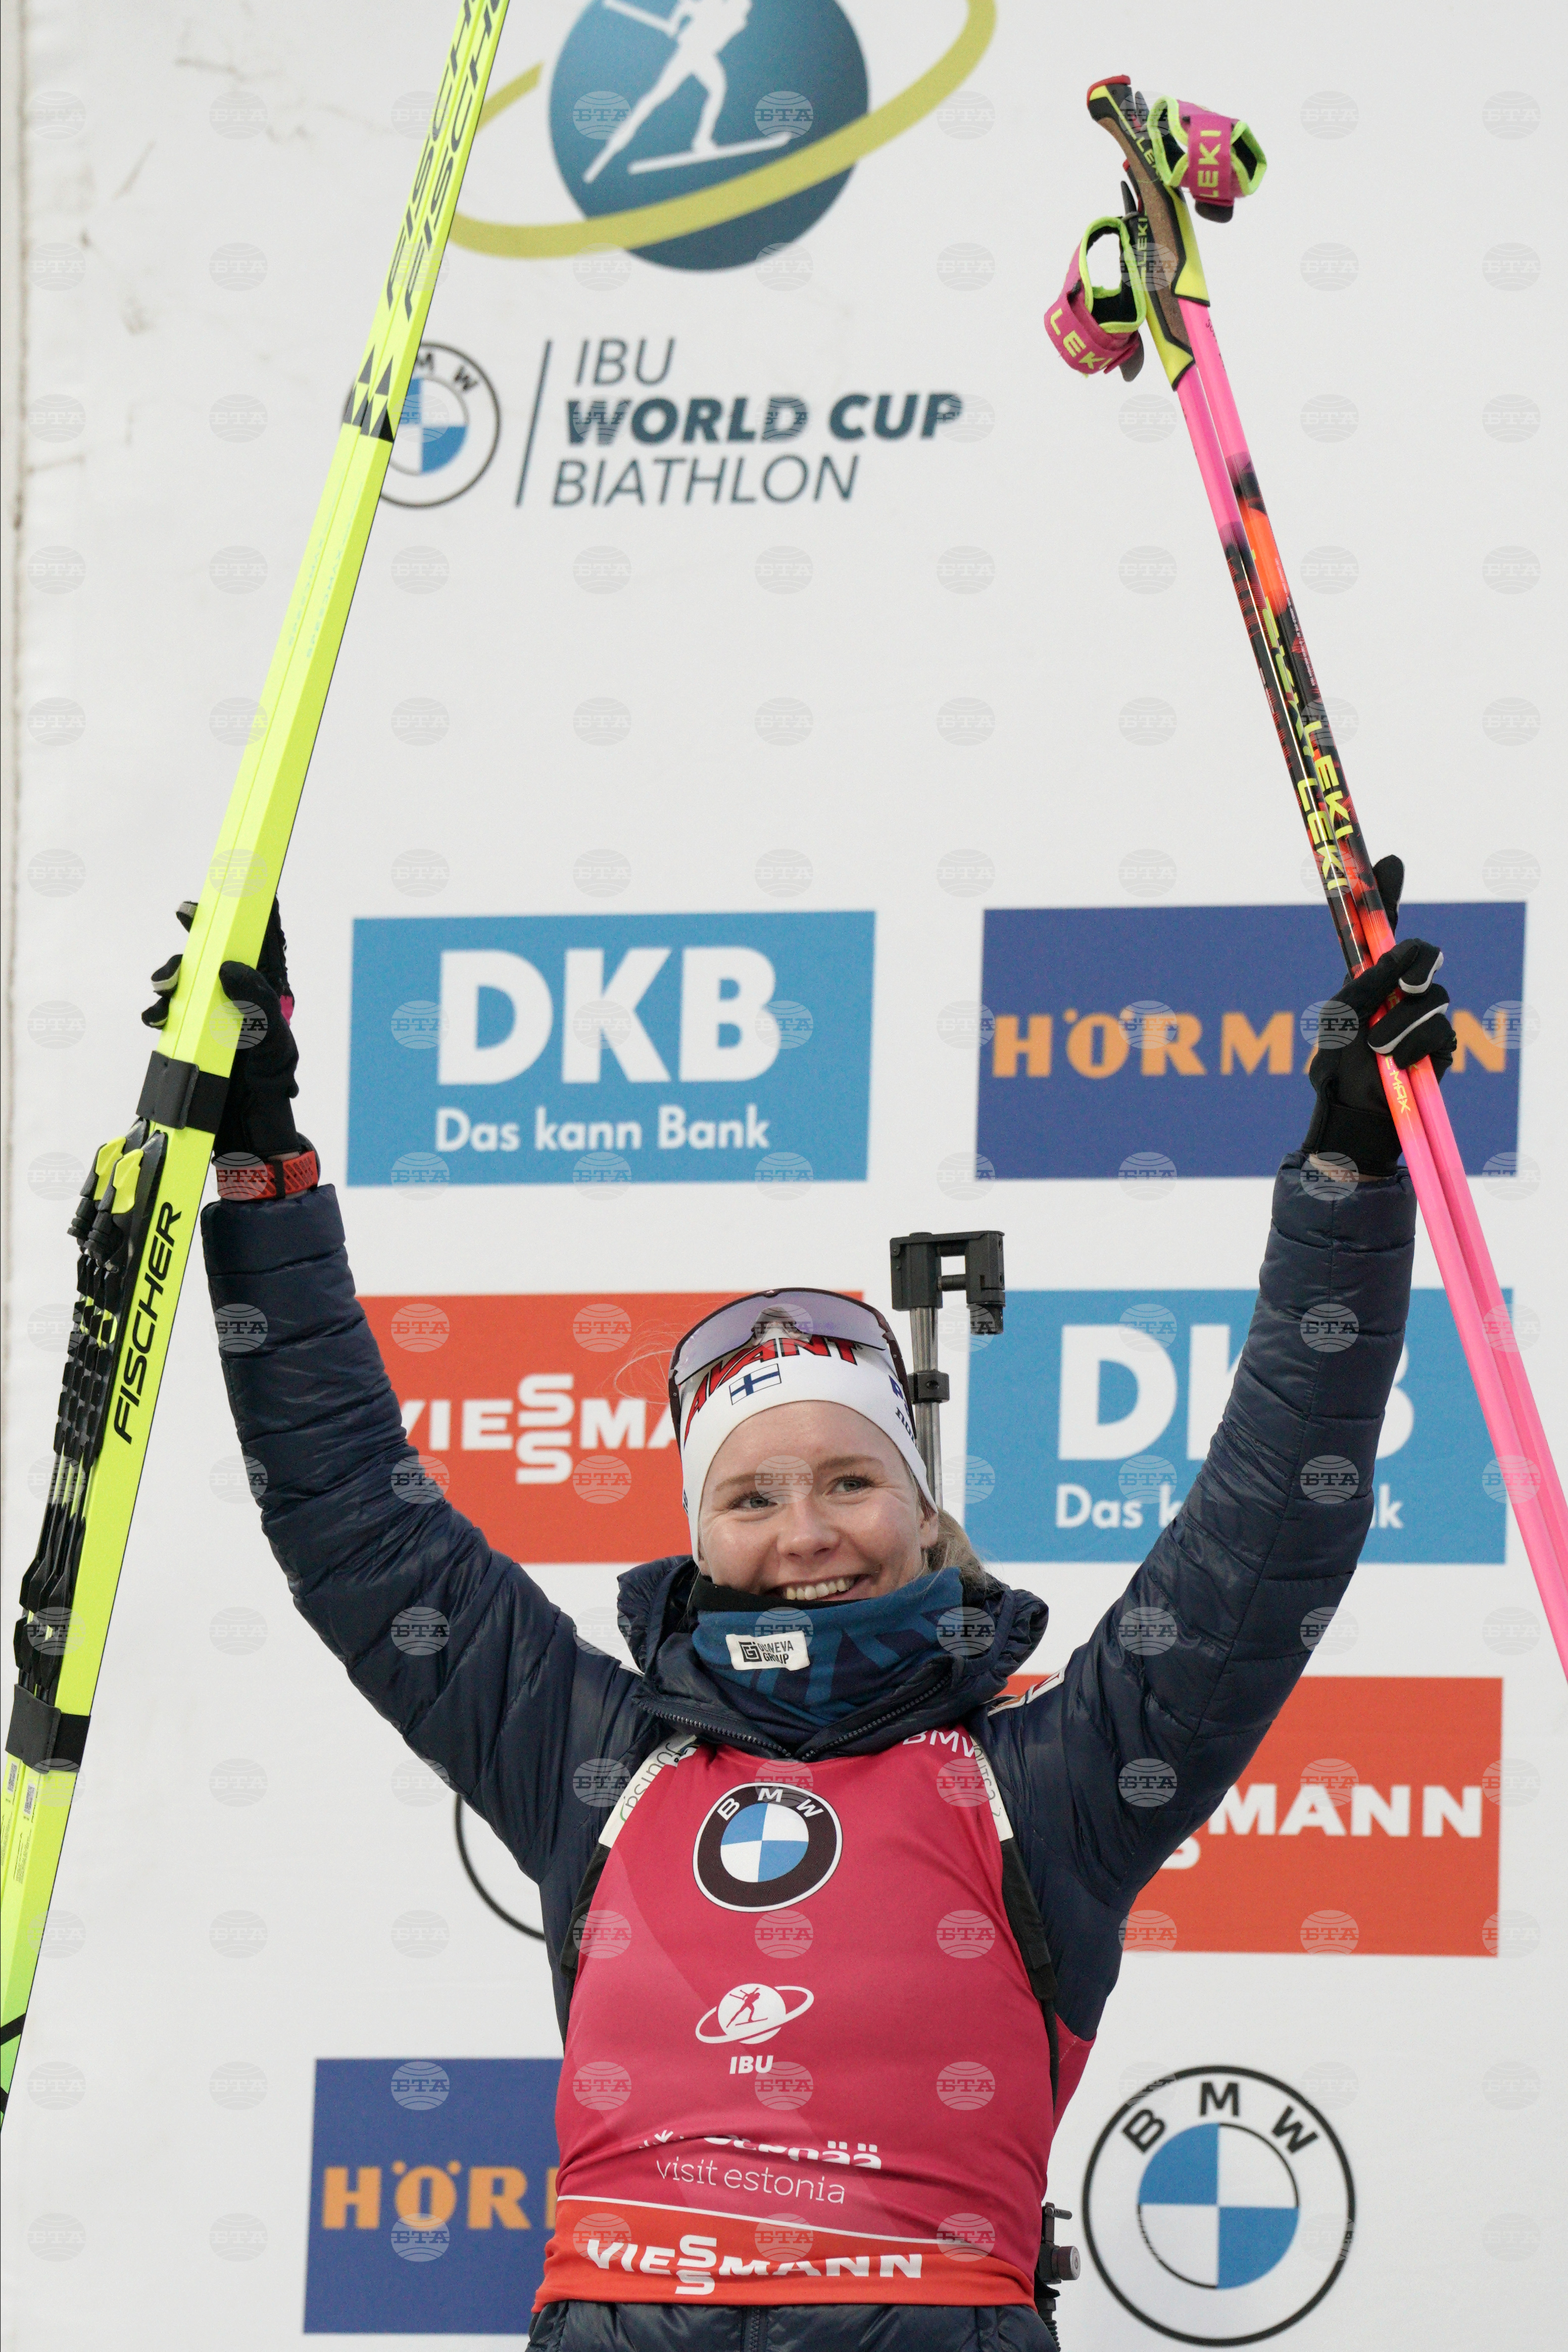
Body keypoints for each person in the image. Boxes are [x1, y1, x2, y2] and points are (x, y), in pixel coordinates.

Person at [146, 861, 1454, 2350]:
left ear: (919, 1503)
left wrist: (1353, 1170)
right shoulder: (596, 1758)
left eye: (849, 1481)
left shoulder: (1050, 1776)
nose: (807, 1534)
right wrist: (256, 1171)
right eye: (752, 1500)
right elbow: (353, 1523)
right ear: (697, 1534)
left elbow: (1271, 1518)